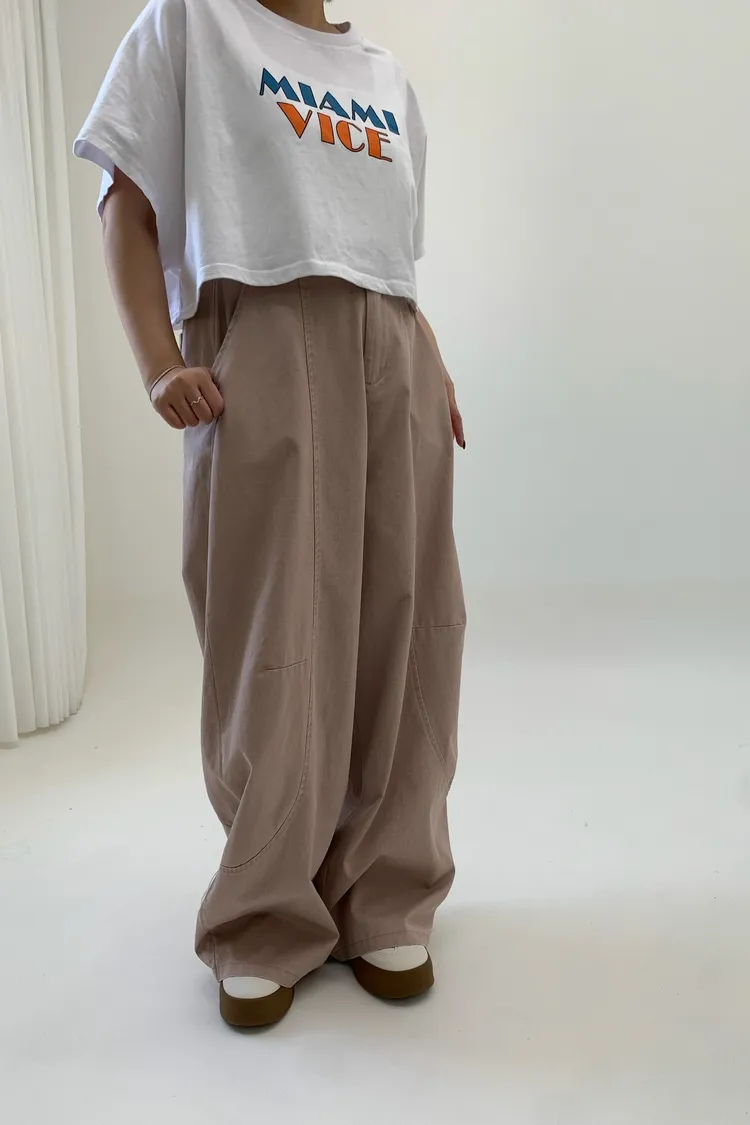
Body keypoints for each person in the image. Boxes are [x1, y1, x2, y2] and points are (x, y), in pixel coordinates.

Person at [75, 0, 466, 1028]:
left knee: (411, 628)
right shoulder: (192, 24)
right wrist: (159, 362)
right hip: (259, 335)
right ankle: (264, 912)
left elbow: (389, 261)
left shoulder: (383, 75)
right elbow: (127, 201)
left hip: (394, 352)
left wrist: (430, 366)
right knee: (274, 633)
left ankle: (386, 889)